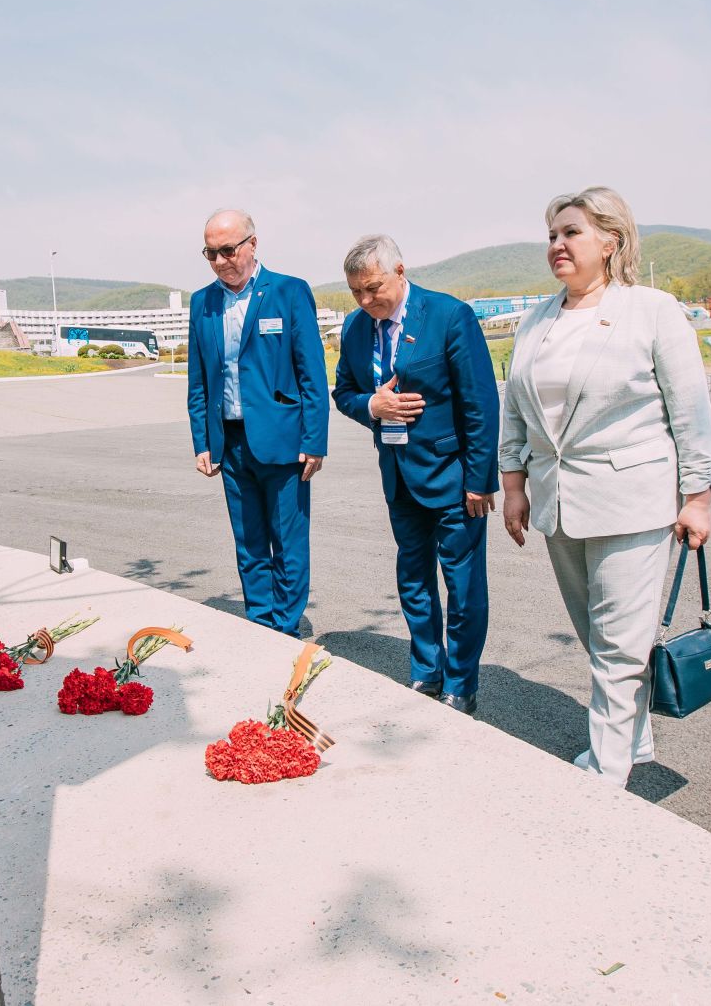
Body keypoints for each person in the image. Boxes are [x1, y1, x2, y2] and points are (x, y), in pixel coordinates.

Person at [498, 187, 711, 786]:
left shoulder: (652, 310)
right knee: (596, 635)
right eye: (552, 235)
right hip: (558, 503)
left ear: (610, 241)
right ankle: (635, 739)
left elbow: (690, 411)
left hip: (633, 500)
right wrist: (514, 486)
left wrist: (698, 498)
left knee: (621, 643)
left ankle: (606, 772)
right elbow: (514, 411)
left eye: (571, 232)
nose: (557, 245)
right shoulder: (536, 320)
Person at [332, 235, 499, 714]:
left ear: (400, 271)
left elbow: (480, 404)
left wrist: (479, 480)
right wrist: (372, 405)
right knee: (413, 579)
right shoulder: (356, 327)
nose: (366, 301)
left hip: (453, 477)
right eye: (356, 292)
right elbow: (343, 392)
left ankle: (461, 684)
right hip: (398, 476)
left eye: (374, 288)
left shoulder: (449, 315)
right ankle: (426, 671)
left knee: (463, 587)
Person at [187, 209, 328, 636]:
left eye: (228, 250)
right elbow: (199, 380)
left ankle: (285, 627)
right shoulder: (203, 302)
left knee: (287, 541)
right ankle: (260, 624)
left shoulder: (288, 292)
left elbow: (311, 373)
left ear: (252, 243)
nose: (220, 261)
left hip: (283, 442)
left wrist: (314, 440)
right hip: (230, 442)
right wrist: (202, 441)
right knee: (249, 541)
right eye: (210, 253)